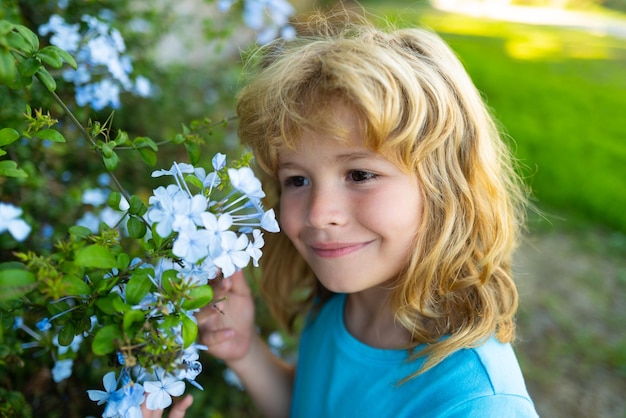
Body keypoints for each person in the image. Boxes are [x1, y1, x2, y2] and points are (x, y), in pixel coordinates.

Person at [155, 12, 539, 418]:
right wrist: (246, 349)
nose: (319, 215)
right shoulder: (344, 303)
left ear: (447, 187)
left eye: (360, 175)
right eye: (297, 180)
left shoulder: (476, 404)